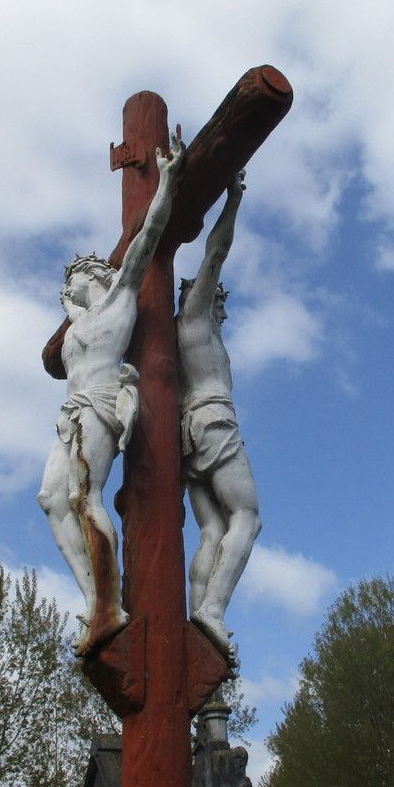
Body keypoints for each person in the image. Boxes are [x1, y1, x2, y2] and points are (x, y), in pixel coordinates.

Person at [38, 132, 184, 655]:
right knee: (52, 500)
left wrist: (167, 181)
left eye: (74, 278)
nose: (68, 287)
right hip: (69, 413)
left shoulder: (120, 297)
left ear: (93, 275)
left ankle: (110, 606)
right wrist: (70, 307)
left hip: (100, 404)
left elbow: (148, 234)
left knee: (85, 496)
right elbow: (63, 334)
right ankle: (95, 600)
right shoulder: (76, 325)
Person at [176, 169, 260, 659]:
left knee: (212, 529)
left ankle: (198, 614)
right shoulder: (194, 320)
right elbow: (216, 253)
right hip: (214, 421)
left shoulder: (191, 337)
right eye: (219, 301)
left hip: (190, 433)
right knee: (247, 517)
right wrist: (233, 199)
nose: (223, 310)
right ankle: (212, 610)